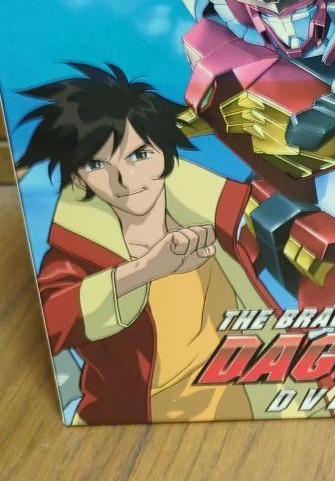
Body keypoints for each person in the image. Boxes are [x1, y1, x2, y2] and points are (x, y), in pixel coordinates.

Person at [17, 63, 318, 424]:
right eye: (97, 165)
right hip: (139, 419)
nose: (125, 180)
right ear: (78, 178)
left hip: (259, 398)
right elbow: (52, 321)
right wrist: (144, 270)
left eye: (139, 155)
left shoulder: (213, 209)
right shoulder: (78, 251)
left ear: (163, 152)